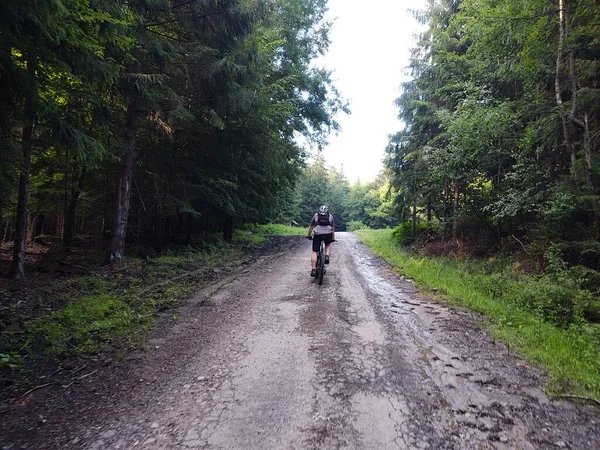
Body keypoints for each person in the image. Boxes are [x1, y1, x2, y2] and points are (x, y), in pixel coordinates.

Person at [307, 205, 335, 277]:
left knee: (314, 251)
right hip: (328, 234)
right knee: (328, 244)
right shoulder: (330, 217)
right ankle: (327, 256)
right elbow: (333, 229)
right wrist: (333, 238)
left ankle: (313, 269)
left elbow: (311, 227)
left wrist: (309, 235)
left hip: (317, 234)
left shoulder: (316, 216)